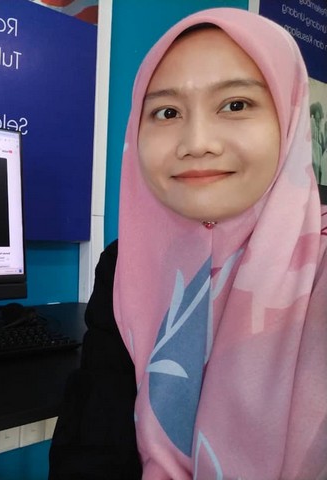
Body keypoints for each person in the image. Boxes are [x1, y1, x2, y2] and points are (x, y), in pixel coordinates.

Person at [49, 8, 327, 480]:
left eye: (236, 105)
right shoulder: (125, 264)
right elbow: (92, 445)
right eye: (167, 112)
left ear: (290, 116)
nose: (197, 142)